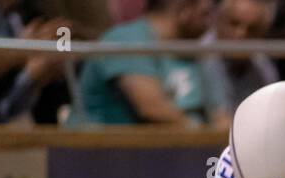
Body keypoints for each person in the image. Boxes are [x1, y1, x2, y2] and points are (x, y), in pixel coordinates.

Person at [74, 0, 222, 125]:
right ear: (184, 8)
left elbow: (219, 114)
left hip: (170, 154)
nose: (209, 26)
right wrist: (202, 134)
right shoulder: (127, 39)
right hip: (99, 153)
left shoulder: (191, 51)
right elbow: (151, 108)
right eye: (205, 15)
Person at [201, 0, 279, 112]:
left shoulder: (262, 67)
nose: (241, 34)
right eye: (234, 23)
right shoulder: (199, 56)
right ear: (217, 20)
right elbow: (220, 119)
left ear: (261, 35)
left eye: (252, 29)